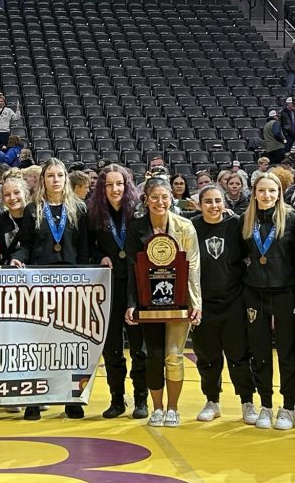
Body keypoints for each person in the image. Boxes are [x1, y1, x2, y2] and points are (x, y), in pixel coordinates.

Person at [10, 158, 89, 420]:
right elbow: (25, 243)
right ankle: (34, 398)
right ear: (42, 180)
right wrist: (18, 256)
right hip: (39, 283)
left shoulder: (79, 208)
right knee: (38, 343)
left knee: (70, 343)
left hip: (71, 283)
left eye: (60, 175)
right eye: (50, 176)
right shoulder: (34, 209)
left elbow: (85, 248)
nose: (55, 180)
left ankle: (71, 398)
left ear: (66, 179)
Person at [122, 176, 201, 427]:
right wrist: (132, 303)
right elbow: (133, 268)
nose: (160, 202)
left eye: (164, 197)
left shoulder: (186, 227)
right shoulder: (136, 228)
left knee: (174, 355)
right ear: (146, 200)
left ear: (171, 199)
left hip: (179, 303)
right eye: (154, 197)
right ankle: (157, 408)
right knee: (154, 356)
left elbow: (194, 265)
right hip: (148, 304)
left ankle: (173, 409)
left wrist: (195, 302)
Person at [190, 184, 256, 423]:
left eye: (218, 201)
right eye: (208, 201)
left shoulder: (235, 224)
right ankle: (212, 401)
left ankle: (247, 401)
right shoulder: (192, 226)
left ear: (224, 202)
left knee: (239, 355)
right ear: (199, 204)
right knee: (207, 356)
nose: (214, 206)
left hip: (234, 300)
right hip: (204, 303)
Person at [240, 172, 295, 430]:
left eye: (272, 191)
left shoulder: (293, 219)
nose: (266, 196)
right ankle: (265, 404)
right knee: (260, 352)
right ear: (254, 193)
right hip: (255, 292)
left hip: (285, 293)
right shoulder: (246, 221)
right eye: (262, 191)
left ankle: (288, 406)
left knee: (287, 353)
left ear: (280, 193)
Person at [87, 165, 148, 419]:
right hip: (108, 288)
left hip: (136, 287)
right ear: (102, 188)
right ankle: (116, 400)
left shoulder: (138, 214)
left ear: (127, 185)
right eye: (109, 185)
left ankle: (142, 400)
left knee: (139, 348)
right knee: (112, 348)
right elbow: (85, 250)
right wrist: (99, 256)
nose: (115, 189)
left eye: (120, 184)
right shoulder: (92, 216)